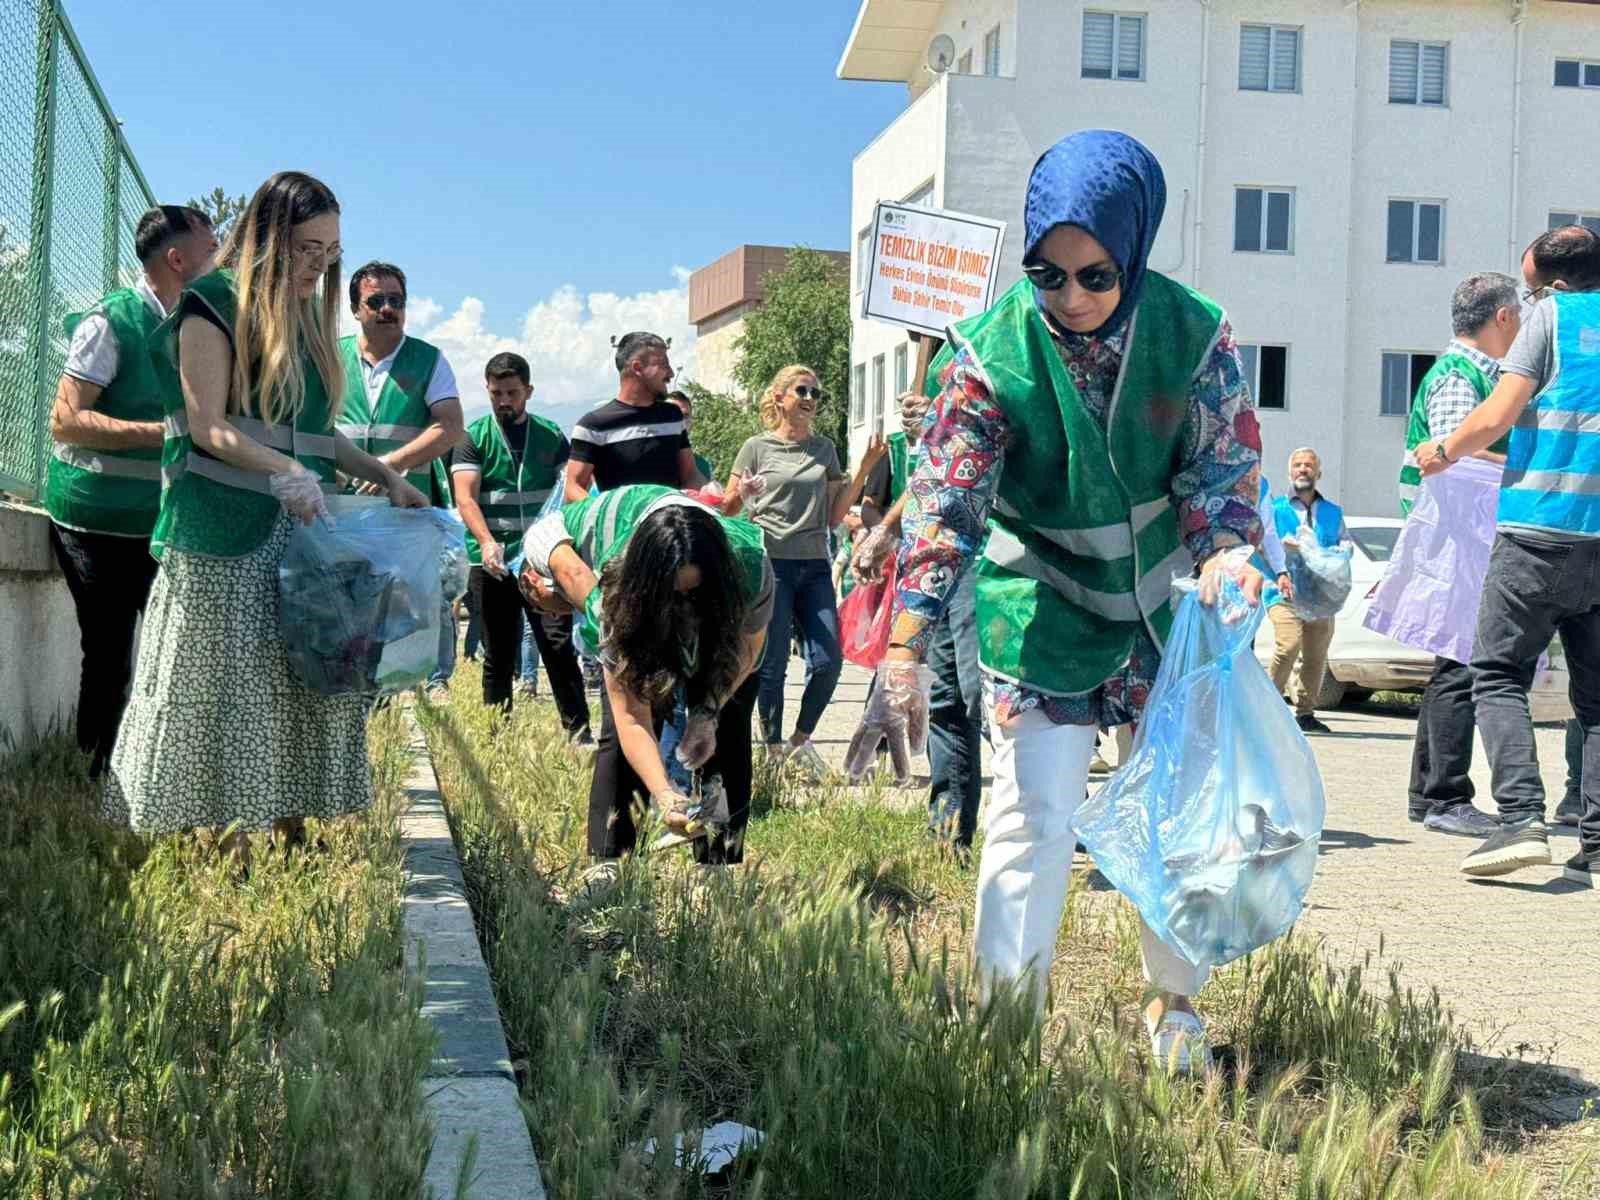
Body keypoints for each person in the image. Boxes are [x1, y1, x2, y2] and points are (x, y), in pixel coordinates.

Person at [848, 130, 1264, 1070]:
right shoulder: (988, 355)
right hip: (1042, 606)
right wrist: (903, 651)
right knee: (1030, 811)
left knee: (1175, 809)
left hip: (1167, 607)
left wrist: (1230, 550)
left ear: (1138, 251)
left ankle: (1174, 1004)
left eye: (1097, 275)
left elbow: (1222, 468)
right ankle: (1003, 1032)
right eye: (1048, 275)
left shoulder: (1194, 333)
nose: (1071, 298)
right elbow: (946, 509)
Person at [102, 171, 430, 867]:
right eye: (307, 249)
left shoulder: (308, 319)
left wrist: (386, 476)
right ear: (268, 239)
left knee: (296, 685)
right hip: (222, 536)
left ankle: (290, 833)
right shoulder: (209, 304)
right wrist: (282, 474)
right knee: (225, 694)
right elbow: (208, 426)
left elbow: (315, 436)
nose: (319, 266)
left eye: (330, 253)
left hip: (295, 534)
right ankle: (221, 842)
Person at [1419, 224, 1600, 885]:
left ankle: (1521, 819)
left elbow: (1498, 412)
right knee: (1598, 700)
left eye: (1529, 288)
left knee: (1495, 674)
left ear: (1551, 283)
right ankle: (1597, 840)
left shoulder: (1548, 317)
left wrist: (1441, 451)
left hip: (1538, 532)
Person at [518, 485, 773, 874]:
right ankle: (610, 862)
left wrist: (707, 711)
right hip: (623, 590)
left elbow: (748, 652)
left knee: (731, 720)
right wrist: (666, 795)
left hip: (711, 592)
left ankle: (718, 862)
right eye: (675, 595)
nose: (684, 606)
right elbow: (632, 716)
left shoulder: (749, 567)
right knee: (619, 729)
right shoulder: (607, 597)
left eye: (694, 592)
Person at [45, 204, 217, 778]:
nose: (216, 259)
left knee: (177, 651)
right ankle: (95, 773)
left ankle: (155, 772)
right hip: (92, 522)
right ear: (176, 259)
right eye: (209, 249)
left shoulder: (198, 323)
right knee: (111, 652)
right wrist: (164, 434)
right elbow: (66, 421)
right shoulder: (110, 323)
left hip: (157, 523)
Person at [1399, 273, 1521, 838]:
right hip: (1458, 539)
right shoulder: (1459, 376)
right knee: (1463, 662)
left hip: (1460, 537)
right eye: (1517, 315)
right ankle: (1446, 796)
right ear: (1500, 317)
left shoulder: (1471, 375)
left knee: (1453, 663)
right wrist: (1531, 470)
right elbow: (1453, 462)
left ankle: (1430, 795)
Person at [724, 365, 887, 776]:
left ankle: (800, 740)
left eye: (817, 392)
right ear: (779, 397)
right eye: (802, 390)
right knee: (773, 662)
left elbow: (834, 516)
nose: (811, 398)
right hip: (771, 563)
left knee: (829, 660)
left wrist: (865, 468)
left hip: (814, 564)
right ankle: (774, 749)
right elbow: (727, 507)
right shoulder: (755, 449)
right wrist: (743, 493)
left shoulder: (824, 450)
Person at [854, 388, 984, 858]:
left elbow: (993, 444)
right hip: (939, 556)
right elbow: (934, 473)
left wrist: (945, 425)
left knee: (986, 700)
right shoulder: (940, 361)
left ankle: (1048, 817)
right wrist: (888, 529)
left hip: (994, 560)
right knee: (949, 700)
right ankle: (949, 837)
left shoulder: (996, 347)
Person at [335, 260, 466, 702]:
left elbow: (449, 426)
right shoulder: (330, 357)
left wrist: (389, 467)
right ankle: (358, 692)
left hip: (404, 510)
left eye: (397, 301)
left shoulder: (429, 360)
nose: (388, 309)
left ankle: (418, 687)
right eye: (376, 300)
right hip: (342, 509)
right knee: (347, 605)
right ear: (356, 308)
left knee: (412, 603)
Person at [451, 352, 589, 738]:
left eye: (512, 392)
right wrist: (486, 542)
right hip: (492, 562)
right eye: (496, 393)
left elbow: (572, 487)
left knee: (557, 645)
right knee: (499, 651)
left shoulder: (549, 435)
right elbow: (466, 497)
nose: (504, 401)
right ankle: (498, 734)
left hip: (542, 562)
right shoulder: (473, 438)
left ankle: (578, 732)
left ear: (528, 391)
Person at [1268, 447, 1351, 734]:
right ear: (1290, 472)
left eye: (1308, 466)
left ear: (1318, 473)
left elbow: (1345, 544)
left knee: (1316, 655)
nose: (1303, 469)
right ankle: (1269, 707)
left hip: (1320, 594)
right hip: (1285, 590)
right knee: (1288, 646)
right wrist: (1282, 556)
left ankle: (1305, 712)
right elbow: (1262, 544)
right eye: (1298, 465)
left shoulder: (1331, 512)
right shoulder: (1275, 508)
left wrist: (1336, 554)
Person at [565, 333, 704, 499]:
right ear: (637, 368)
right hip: (621, 524)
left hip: (671, 523)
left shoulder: (672, 417)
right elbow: (573, 487)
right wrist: (605, 514)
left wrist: (706, 494)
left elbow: (690, 474)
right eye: (664, 365)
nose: (671, 373)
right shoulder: (593, 425)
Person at [667, 389, 716, 485]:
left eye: (685, 415)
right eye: (673, 414)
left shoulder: (703, 466)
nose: (680, 421)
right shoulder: (648, 460)